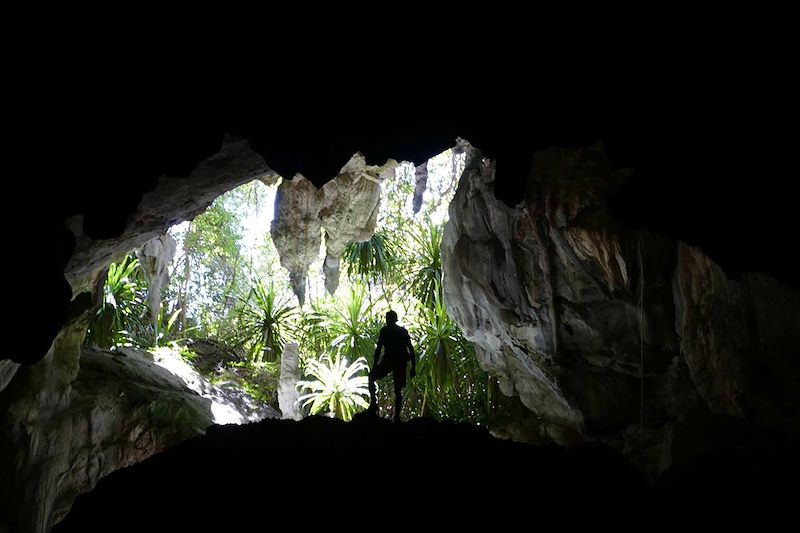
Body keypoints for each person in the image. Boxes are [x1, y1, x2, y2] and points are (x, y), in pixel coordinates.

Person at [368, 310, 416, 423]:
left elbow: (379, 349)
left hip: (390, 360)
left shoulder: (385, 331)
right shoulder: (402, 331)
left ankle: (374, 404)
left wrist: (375, 366)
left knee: (372, 378)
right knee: (398, 390)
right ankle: (396, 417)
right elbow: (411, 350)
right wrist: (413, 367)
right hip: (400, 361)